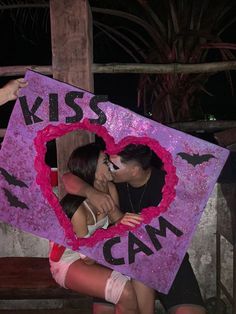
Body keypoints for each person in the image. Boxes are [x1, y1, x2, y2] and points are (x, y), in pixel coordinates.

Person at [63, 143, 206, 314]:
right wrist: (91, 193)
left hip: (165, 259)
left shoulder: (167, 185)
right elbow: (68, 178)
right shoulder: (113, 182)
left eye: (114, 165)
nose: (110, 167)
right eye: (107, 162)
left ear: (134, 170)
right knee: (105, 308)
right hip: (124, 256)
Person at [49, 142, 144, 314]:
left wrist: (125, 221)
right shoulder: (78, 208)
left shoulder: (110, 188)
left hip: (98, 253)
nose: (110, 164)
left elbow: (117, 224)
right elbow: (88, 259)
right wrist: (111, 232)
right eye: (105, 161)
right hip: (70, 260)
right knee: (125, 291)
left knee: (139, 274)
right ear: (92, 167)